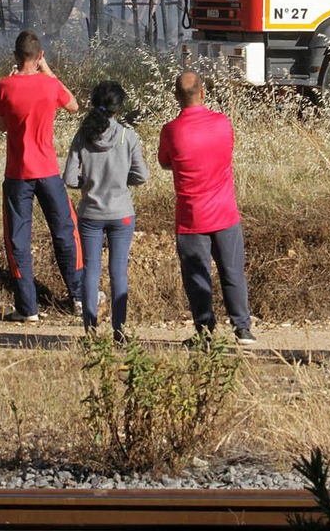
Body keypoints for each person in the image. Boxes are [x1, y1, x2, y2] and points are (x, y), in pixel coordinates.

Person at [0, 30, 84, 324]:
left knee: (18, 240)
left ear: (15, 57)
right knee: (65, 232)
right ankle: (79, 297)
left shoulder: (3, 85)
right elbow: (74, 105)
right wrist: (48, 70)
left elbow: (2, 126)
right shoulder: (50, 85)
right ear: (40, 55)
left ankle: (28, 308)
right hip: (48, 172)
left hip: (18, 174)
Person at [158, 71, 255, 345]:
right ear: (203, 93)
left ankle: (205, 331)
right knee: (232, 272)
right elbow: (227, 151)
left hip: (191, 217)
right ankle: (242, 327)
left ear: (177, 97)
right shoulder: (223, 123)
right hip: (225, 212)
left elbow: (165, 162)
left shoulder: (171, 130)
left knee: (196, 276)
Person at [63, 81, 148, 341]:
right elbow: (141, 176)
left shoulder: (83, 136)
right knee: (118, 271)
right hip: (121, 213)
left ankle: (90, 329)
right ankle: (118, 331)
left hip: (90, 213)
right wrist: (124, 182)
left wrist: (87, 184)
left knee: (91, 270)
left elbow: (68, 178)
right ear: (118, 109)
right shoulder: (127, 136)